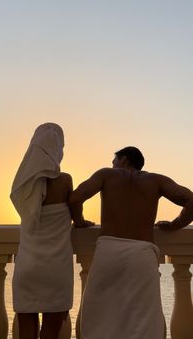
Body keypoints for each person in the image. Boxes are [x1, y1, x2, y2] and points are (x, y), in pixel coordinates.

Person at [68, 146, 193, 339]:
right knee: (142, 321)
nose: (113, 165)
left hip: (109, 251)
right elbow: (190, 199)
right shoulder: (156, 180)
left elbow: (75, 198)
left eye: (114, 161)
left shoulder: (106, 175)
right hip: (141, 254)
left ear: (124, 159)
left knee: (100, 316)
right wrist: (175, 224)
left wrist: (80, 222)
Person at [10, 123, 90, 339]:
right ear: (57, 149)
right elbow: (75, 211)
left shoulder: (22, 184)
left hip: (27, 265)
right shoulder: (64, 180)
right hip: (55, 267)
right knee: (51, 332)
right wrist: (81, 222)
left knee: (26, 330)